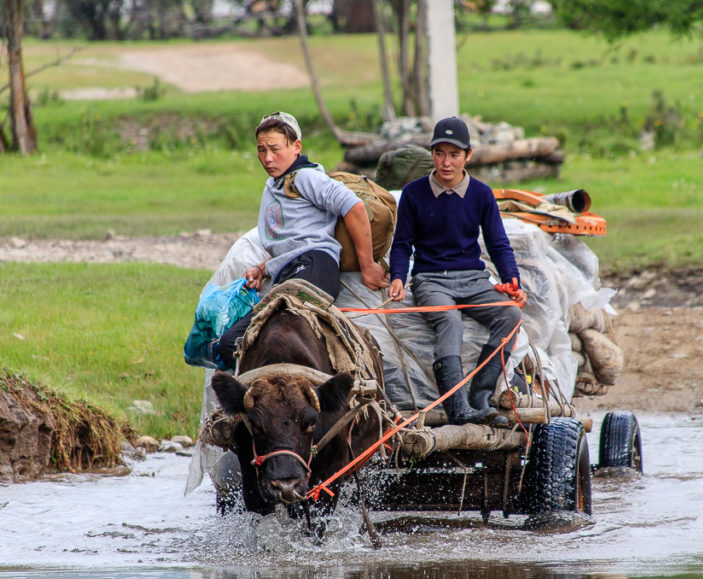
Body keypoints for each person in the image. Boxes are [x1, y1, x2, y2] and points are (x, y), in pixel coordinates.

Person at [215, 111, 388, 370]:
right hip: (290, 272)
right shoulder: (273, 185)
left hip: (314, 266)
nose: (267, 158)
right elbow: (289, 240)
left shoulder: (306, 177)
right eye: (261, 150)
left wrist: (367, 266)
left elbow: (353, 206)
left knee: (280, 335)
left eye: (275, 149)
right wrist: (263, 269)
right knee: (230, 344)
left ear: (296, 147)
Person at [387, 116, 527, 425]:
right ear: (431, 153)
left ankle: (480, 397)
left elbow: (498, 243)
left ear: (468, 156)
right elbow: (401, 245)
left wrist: (511, 280)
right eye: (439, 153)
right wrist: (398, 277)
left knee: (511, 316)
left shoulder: (481, 194)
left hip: (473, 279)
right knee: (450, 320)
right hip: (430, 280)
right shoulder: (413, 194)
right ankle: (458, 408)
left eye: (454, 154)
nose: (446, 162)